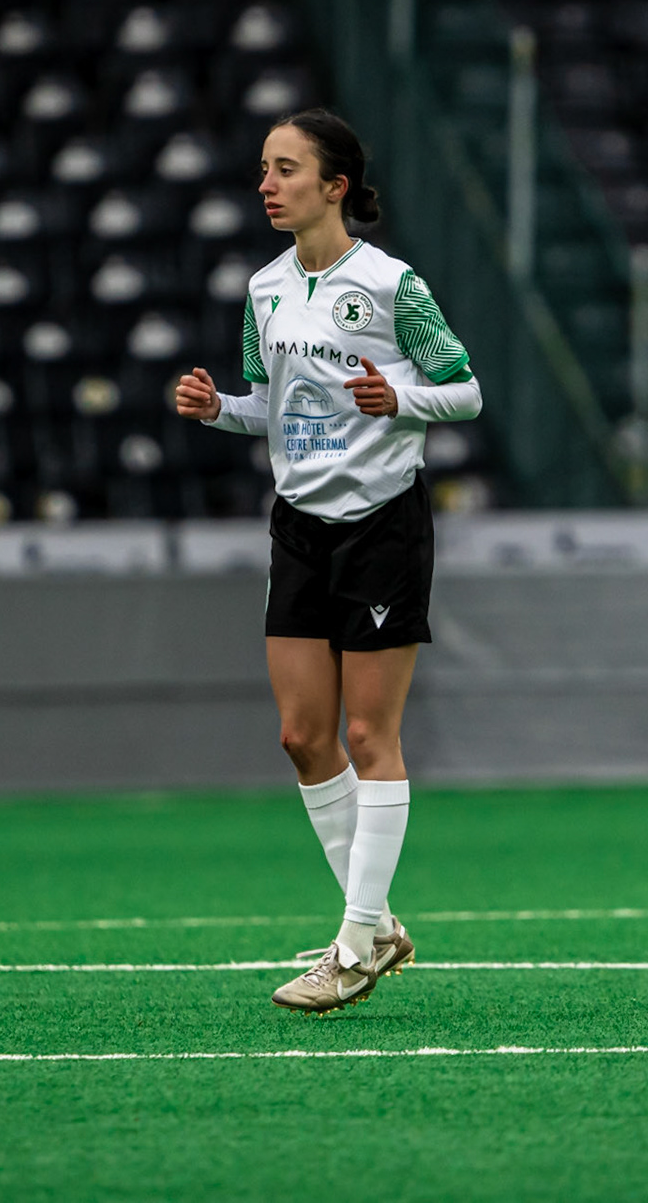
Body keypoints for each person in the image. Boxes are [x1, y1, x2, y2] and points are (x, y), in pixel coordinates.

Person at [174, 109, 483, 1014]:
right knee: (303, 737)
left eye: (285, 169)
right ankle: (380, 928)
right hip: (299, 524)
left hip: (382, 523)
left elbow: (463, 389)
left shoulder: (392, 286)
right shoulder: (266, 289)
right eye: (264, 169)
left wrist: (403, 398)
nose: (266, 184)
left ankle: (354, 942)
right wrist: (215, 408)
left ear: (334, 185)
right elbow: (266, 408)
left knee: (367, 738)